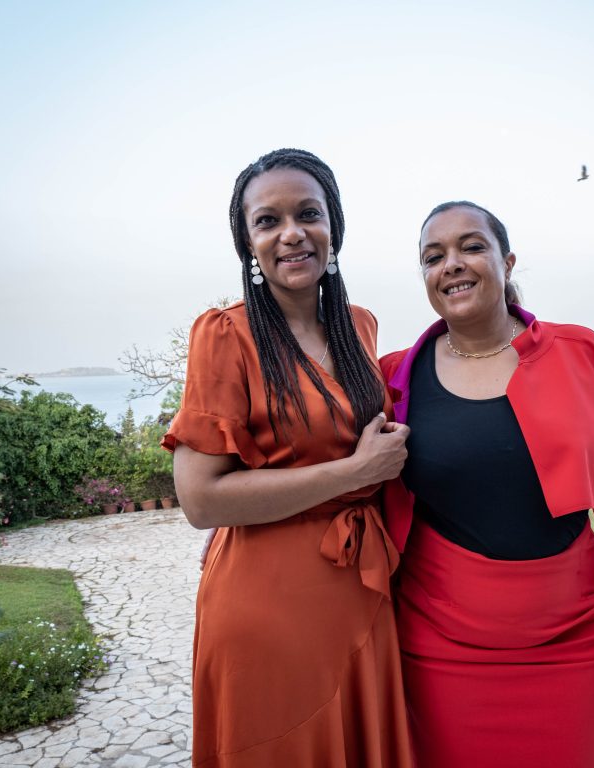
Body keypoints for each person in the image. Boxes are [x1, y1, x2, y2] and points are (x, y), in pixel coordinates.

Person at [379, 201, 594, 768]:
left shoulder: (582, 353)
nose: (451, 264)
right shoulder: (393, 377)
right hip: (440, 646)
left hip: (575, 639)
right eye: (433, 257)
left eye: (472, 247)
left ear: (506, 262)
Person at [162, 149, 413, 767]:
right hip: (268, 599)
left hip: (360, 585)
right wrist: (355, 472)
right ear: (247, 243)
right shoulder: (225, 334)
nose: (292, 233)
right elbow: (200, 500)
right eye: (268, 221)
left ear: (334, 225)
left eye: (308, 213)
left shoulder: (359, 325)